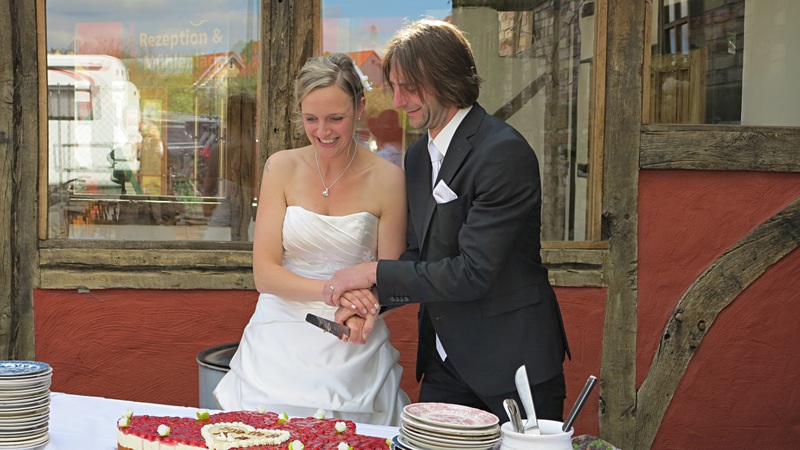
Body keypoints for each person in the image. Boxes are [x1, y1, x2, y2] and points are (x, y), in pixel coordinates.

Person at [323, 19, 571, 423]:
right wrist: (370, 302)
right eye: (394, 88)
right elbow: (423, 253)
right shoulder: (419, 156)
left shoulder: (502, 152)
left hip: (512, 366)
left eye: (410, 87)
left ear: (448, 77)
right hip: (443, 364)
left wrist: (370, 271)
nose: (399, 101)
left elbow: (473, 272)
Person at [213, 53, 410, 426]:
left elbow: (390, 274)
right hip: (279, 334)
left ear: (360, 106)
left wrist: (360, 311)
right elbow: (265, 274)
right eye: (311, 119)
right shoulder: (281, 167)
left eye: (336, 118)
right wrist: (336, 289)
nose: (323, 131)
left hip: (352, 334)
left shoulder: (389, 179)